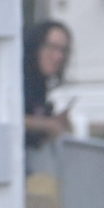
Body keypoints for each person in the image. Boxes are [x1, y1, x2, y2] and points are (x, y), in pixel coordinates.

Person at [23, 18, 70, 149]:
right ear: (36, 47)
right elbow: (9, 116)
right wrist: (48, 124)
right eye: (52, 47)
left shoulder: (40, 83)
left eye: (63, 50)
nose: (58, 56)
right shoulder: (18, 78)